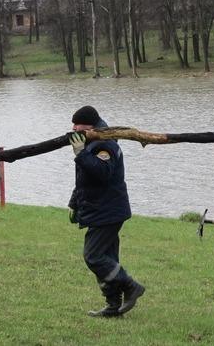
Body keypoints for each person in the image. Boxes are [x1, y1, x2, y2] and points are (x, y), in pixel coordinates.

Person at [67, 105, 145, 318]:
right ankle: (113, 306)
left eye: (77, 125)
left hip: (108, 211)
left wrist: (80, 153)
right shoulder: (90, 142)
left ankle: (131, 286)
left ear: (90, 125)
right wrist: (75, 203)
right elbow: (84, 180)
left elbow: (102, 173)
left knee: (94, 256)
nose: (73, 128)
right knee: (107, 258)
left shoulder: (105, 145)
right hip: (98, 208)